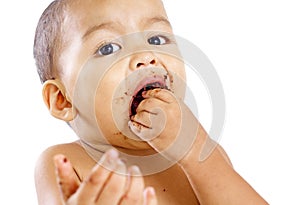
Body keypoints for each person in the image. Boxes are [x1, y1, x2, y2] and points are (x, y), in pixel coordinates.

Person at [34, 0, 269, 204]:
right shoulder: (64, 163)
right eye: (108, 48)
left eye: (156, 39)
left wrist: (195, 150)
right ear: (63, 100)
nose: (146, 56)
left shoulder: (206, 154)